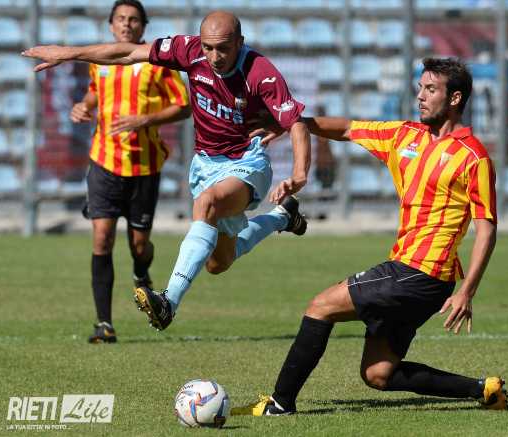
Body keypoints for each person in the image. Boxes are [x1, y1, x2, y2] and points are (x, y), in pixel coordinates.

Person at [234, 58, 507, 416]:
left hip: (422, 271)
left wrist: (467, 291)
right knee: (378, 374)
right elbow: (348, 128)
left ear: (455, 98)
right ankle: (485, 390)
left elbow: (486, 228)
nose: (420, 96)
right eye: (420, 88)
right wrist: (292, 124)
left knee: (320, 307)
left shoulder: (473, 157)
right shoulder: (405, 135)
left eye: (431, 89)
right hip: (416, 275)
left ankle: (280, 403)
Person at [24, 10, 312, 332]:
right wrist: (67, 53)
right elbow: (127, 53)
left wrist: (299, 173)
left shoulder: (261, 72)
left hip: (246, 162)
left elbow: (296, 123)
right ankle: (282, 217)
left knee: (206, 203)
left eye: (223, 48)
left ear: (240, 42)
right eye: (208, 47)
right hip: (206, 165)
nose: (214, 56)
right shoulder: (188, 51)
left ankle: (168, 302)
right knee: (218, 262)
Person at [67, 0, 190, 343]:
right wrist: (83, 106)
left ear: (143, 26)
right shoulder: (100, 60)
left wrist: (144, 119)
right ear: (111, 25)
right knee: (102, 238)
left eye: (133, 20)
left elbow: (184, 106)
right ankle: (104, 324)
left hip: (144, 166)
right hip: (104, 162)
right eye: (120, 19)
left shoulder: (158, 63)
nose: (126, 24)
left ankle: (140, 270)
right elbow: (94, 93)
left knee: (139, 245)